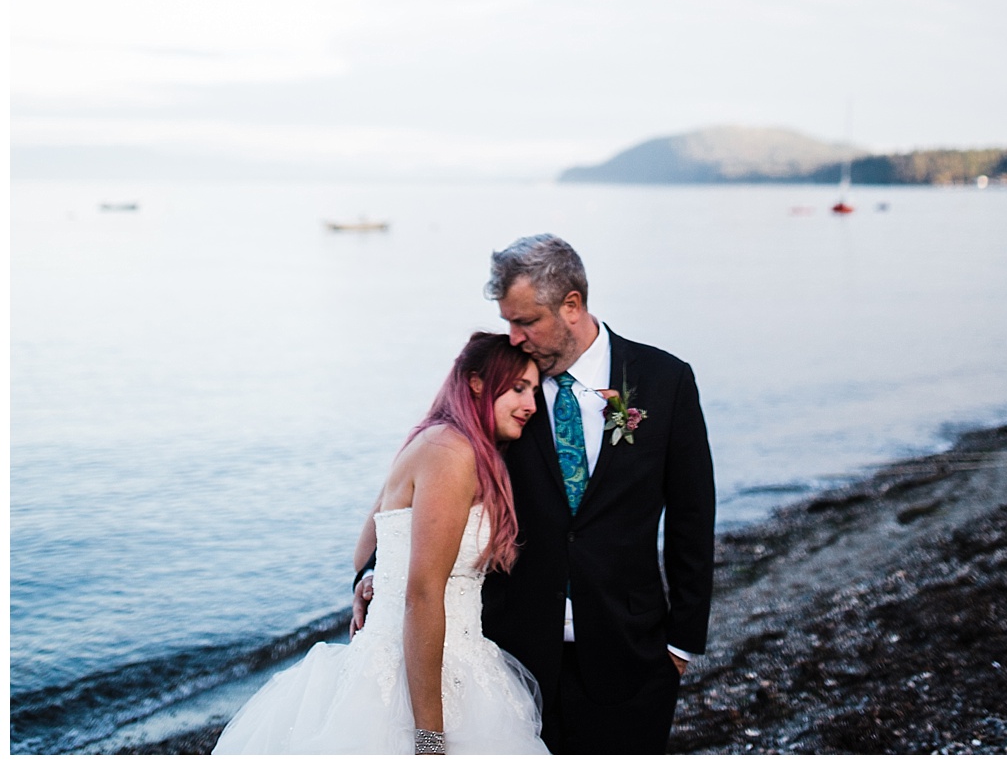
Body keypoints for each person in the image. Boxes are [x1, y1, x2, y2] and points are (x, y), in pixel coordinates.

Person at [213, 332, 549, 755]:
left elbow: (367, 547)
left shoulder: (434, 439)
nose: (531, 405)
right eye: (519, 388)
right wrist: (428, 740)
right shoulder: (451, 451)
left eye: (534, 391)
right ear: (478, 383)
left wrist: (374, 576)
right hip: (418, 679)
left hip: (450, 663)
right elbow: (423, 595)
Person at [479, 233, 715, 753]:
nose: (514, 338)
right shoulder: (499, 380)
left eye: (526, 322)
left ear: (572, 305)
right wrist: (378, 568)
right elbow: (440, 468)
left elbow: (692, 516)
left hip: (632, 653)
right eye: (508, 322)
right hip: (513, 654)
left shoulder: (664, 379)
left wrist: (682, 643)